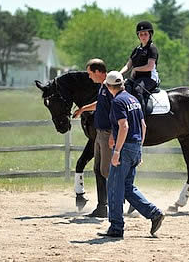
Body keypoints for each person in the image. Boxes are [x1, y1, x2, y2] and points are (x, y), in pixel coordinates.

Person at [99, 71, 164, 238]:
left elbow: (124, 126)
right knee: (127, 187)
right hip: (135, 146)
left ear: (108, 86)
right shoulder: (133, 99)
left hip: (125, 148)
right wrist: (139, 149)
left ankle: (116, 227)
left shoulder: (118, 102)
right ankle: (154, 214)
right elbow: (143, 126)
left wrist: (117, 152)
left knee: (114, 186)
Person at [73, 58, 112, 218]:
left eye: (90, 74)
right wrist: (82, 109)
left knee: (105, 171)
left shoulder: (111, 84)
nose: (89, 77)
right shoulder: (104, 86)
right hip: (101, 134)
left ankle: (111, 205)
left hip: (108, 133)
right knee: (98, 170)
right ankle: (102, 206)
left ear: (98, 72)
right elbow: (100, 104)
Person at [120, 21, 160, 116]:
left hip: (149, 79)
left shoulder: (152, 49)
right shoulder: (136, 49)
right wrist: (118, 74)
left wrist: (135, 69)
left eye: (145, 34)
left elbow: (149, 66)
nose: (143, 36)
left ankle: (140, 119)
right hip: (137, 79)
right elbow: (128, 65)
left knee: (138, 90)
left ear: (150, 35)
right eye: (141, 34)